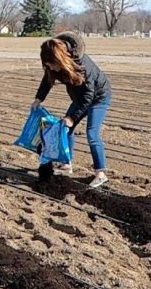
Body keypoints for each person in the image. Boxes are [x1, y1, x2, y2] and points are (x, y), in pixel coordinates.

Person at [31, 32, 111, 188]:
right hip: (79, 98)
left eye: (50, 64)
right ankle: (67, 164)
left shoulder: (82, 65)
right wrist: (38, 99)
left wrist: (72, 118)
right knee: (66, 130)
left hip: (98, 98)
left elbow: (89, 96)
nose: (49, 67)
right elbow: (47, 80)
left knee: (92, 133)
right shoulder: (54, 65)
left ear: (59, 58)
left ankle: (100, 174)